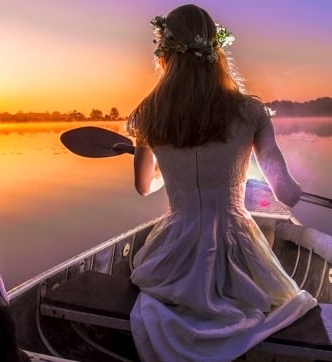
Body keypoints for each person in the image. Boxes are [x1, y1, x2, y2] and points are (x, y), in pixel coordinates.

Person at [126, 4, 317, 362]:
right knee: (274, 302)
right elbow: (285, 192)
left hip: (173, 253)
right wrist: (293, 188)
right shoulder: (249, 111)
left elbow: (143, 186)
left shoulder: (148, 114)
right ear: (216, 48)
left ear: (165, 51)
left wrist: (166, 168)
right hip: (235, 247)